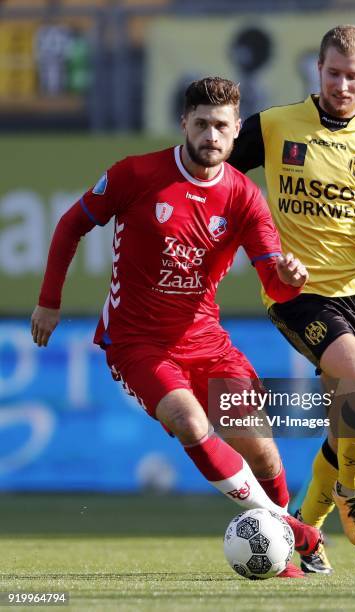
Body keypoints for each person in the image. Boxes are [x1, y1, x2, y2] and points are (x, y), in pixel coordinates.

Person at [30, 76, 321, 579]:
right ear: (184, 122)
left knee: (263, 452)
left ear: (235, 134)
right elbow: (70, 225)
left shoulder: (244, 197)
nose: (212, 135)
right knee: (189, 421)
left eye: (222, 127)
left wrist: (290, 279)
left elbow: (274, 282)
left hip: (207, 340)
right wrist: (48, 302)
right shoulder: (136, 174)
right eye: (202, 123)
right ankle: (292, 530)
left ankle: (285, 556)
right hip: (137, 342)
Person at [229, 25, 355, 574]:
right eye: (334, 73)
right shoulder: (273, 125)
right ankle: (352, 491)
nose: (343, 85)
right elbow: (219, 173)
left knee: (349, 417)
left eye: (353, 76)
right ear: (318, 70)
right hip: (295, 293)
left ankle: (307, 532)